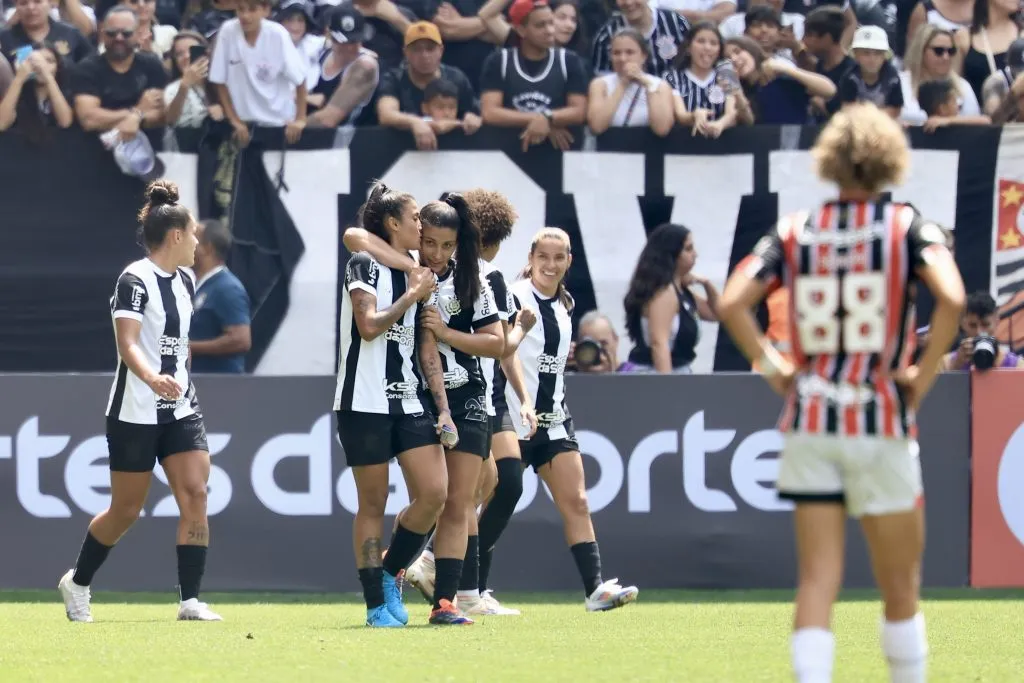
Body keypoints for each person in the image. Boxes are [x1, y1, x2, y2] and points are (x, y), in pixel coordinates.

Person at [717, 102, 966, 683]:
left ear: (828, 161)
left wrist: (773, 366)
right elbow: (951, 299)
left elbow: (732, 302)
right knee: (899, 583)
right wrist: (921, 378)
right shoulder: (909, 227)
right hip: (881, 417)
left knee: (817, 578)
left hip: (811, 418)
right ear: (890, 159)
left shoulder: (795, 231)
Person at [58, 180, 223, 623]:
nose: (196, 243)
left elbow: (181, 342)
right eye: (192, 235)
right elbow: (127, 344)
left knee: (196, 492)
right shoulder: (134, 279)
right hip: (134, 411)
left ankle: (190, 600)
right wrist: (153, 378)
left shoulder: (186, 280)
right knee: (126, 510)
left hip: (181, 409)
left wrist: (178, 379)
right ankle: (77, 582)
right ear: (175, 236)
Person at [404, 189, 539, 617]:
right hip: (429, 395)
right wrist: (518, 331)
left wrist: (522, 396)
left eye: (448, 243)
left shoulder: (479, 280)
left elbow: (499, 346)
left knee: (478, 490)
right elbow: (504, 343)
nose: (439, 251)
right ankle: (432, 574)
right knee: (460, 493)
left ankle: (457, 589)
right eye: (431, 241)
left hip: (479, 393)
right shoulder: (412, 272)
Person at [334, 182, 454, 628]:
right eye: (415, 219)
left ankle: (390, 571)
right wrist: (410, 293)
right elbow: (368, 327)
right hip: (362, 400)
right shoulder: (365, 265)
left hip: (407, 396)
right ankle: (373, 605)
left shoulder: (421, 268)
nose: (421, 225)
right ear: (392, 224)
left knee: (435, 493)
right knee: (373, 503)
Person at [506, 227, 639, 612]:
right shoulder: (513, 297)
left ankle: (595, 590)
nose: (550, 265)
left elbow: (549, 362)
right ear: (530, 257)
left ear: (569, 261)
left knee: (576, 502)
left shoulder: (565, 306)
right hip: (511, 418)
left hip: (553, 420)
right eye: (543, 256)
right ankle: (448, 572)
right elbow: (504, 352)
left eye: (558, 257)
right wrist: (523, 399)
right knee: (484, 501)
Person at [623, 223, 719, 374]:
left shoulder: (681, 291)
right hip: (655, 374)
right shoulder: (664, 292)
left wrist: (706, 283)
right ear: (671, 254)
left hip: (678, 371)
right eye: (688, 249)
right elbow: (659, 343)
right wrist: (668, 388)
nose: (695, 254)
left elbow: (717, 313)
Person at [189, 220, 252, 374]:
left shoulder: (227, 288)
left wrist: (189, 347)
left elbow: (241, 340)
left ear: (207, 248)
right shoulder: (200, 286)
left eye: (192, 239)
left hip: (221, 390)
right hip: (199, 387)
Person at [942, 291, 1024, 370]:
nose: (979, 332)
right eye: (972, 325)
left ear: (997, 322)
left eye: (985, 325)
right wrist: (956, 365)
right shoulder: (946, 363)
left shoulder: (1018, 367)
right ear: (963, 324)